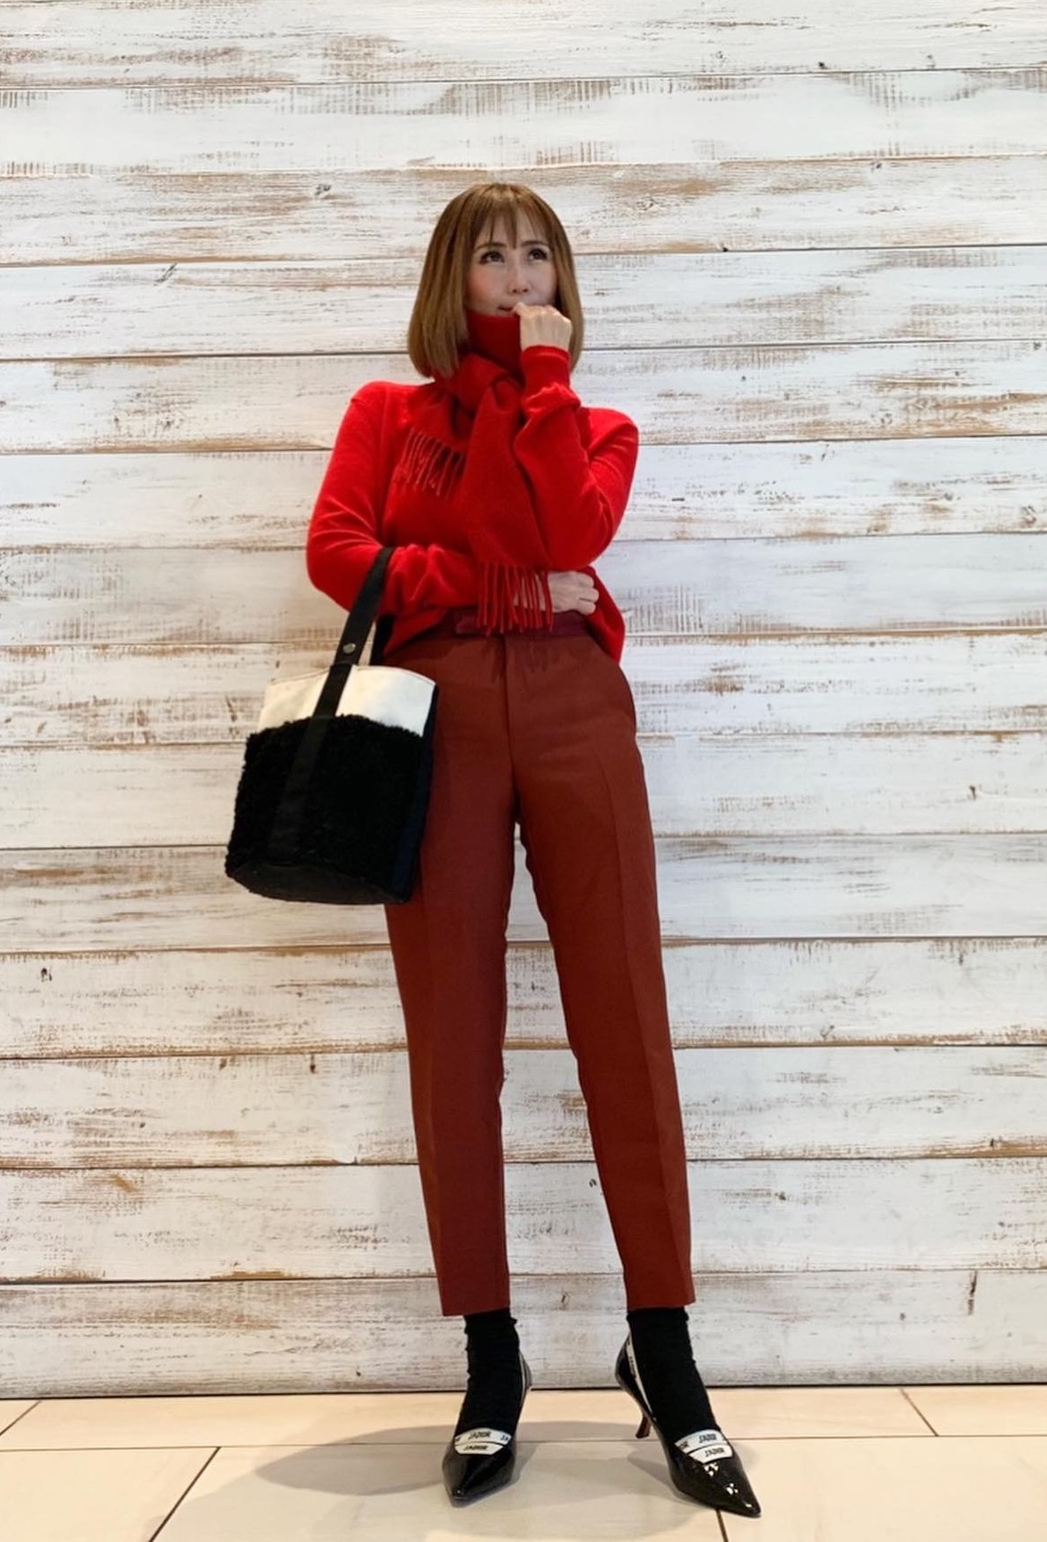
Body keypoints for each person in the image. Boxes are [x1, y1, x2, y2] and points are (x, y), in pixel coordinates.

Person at [305, 182, 759, 1519]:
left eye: (537, 255)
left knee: (625, 1013)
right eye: (491, 255)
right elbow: (339, 552)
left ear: (562, 278)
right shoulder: (386, 416)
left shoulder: (597, 423)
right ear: (452, 277)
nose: (516, 275)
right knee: (452, 1029)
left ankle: (663, 1349)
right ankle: (489, 1358)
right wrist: (490, 587)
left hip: (573, 707)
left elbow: (575, 539)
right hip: (434, 714)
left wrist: (546, 380)